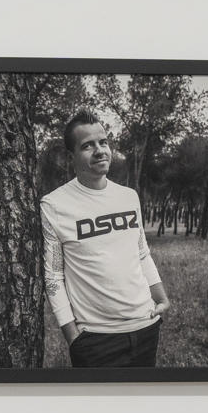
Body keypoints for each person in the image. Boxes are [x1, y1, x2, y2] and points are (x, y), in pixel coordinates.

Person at [39, 109, 172, 367]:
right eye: (88, 145)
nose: (100, 150)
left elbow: (141, 252)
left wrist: (161, 297)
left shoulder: (128, 197)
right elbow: (53, 275)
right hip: (96, 341)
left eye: (103, 142)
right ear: (72, 156)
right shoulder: (54, 205)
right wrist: (72, 337)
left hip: (147, 327)